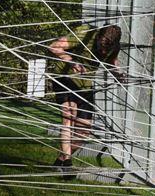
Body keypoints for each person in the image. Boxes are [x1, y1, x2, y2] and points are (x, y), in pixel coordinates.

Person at [47, 24, 123, 177]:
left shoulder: (113, 47)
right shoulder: (85, 33)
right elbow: (54, 47)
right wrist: (71, 62)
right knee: (69, 115)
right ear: (99, 36)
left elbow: (112, 61)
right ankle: (67, 164)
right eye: (101, 46)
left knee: (83, 132)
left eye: (106, 49)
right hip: (65, 77)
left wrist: (118, 73)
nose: (103, 51)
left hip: (85, 86)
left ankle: (60, 160)